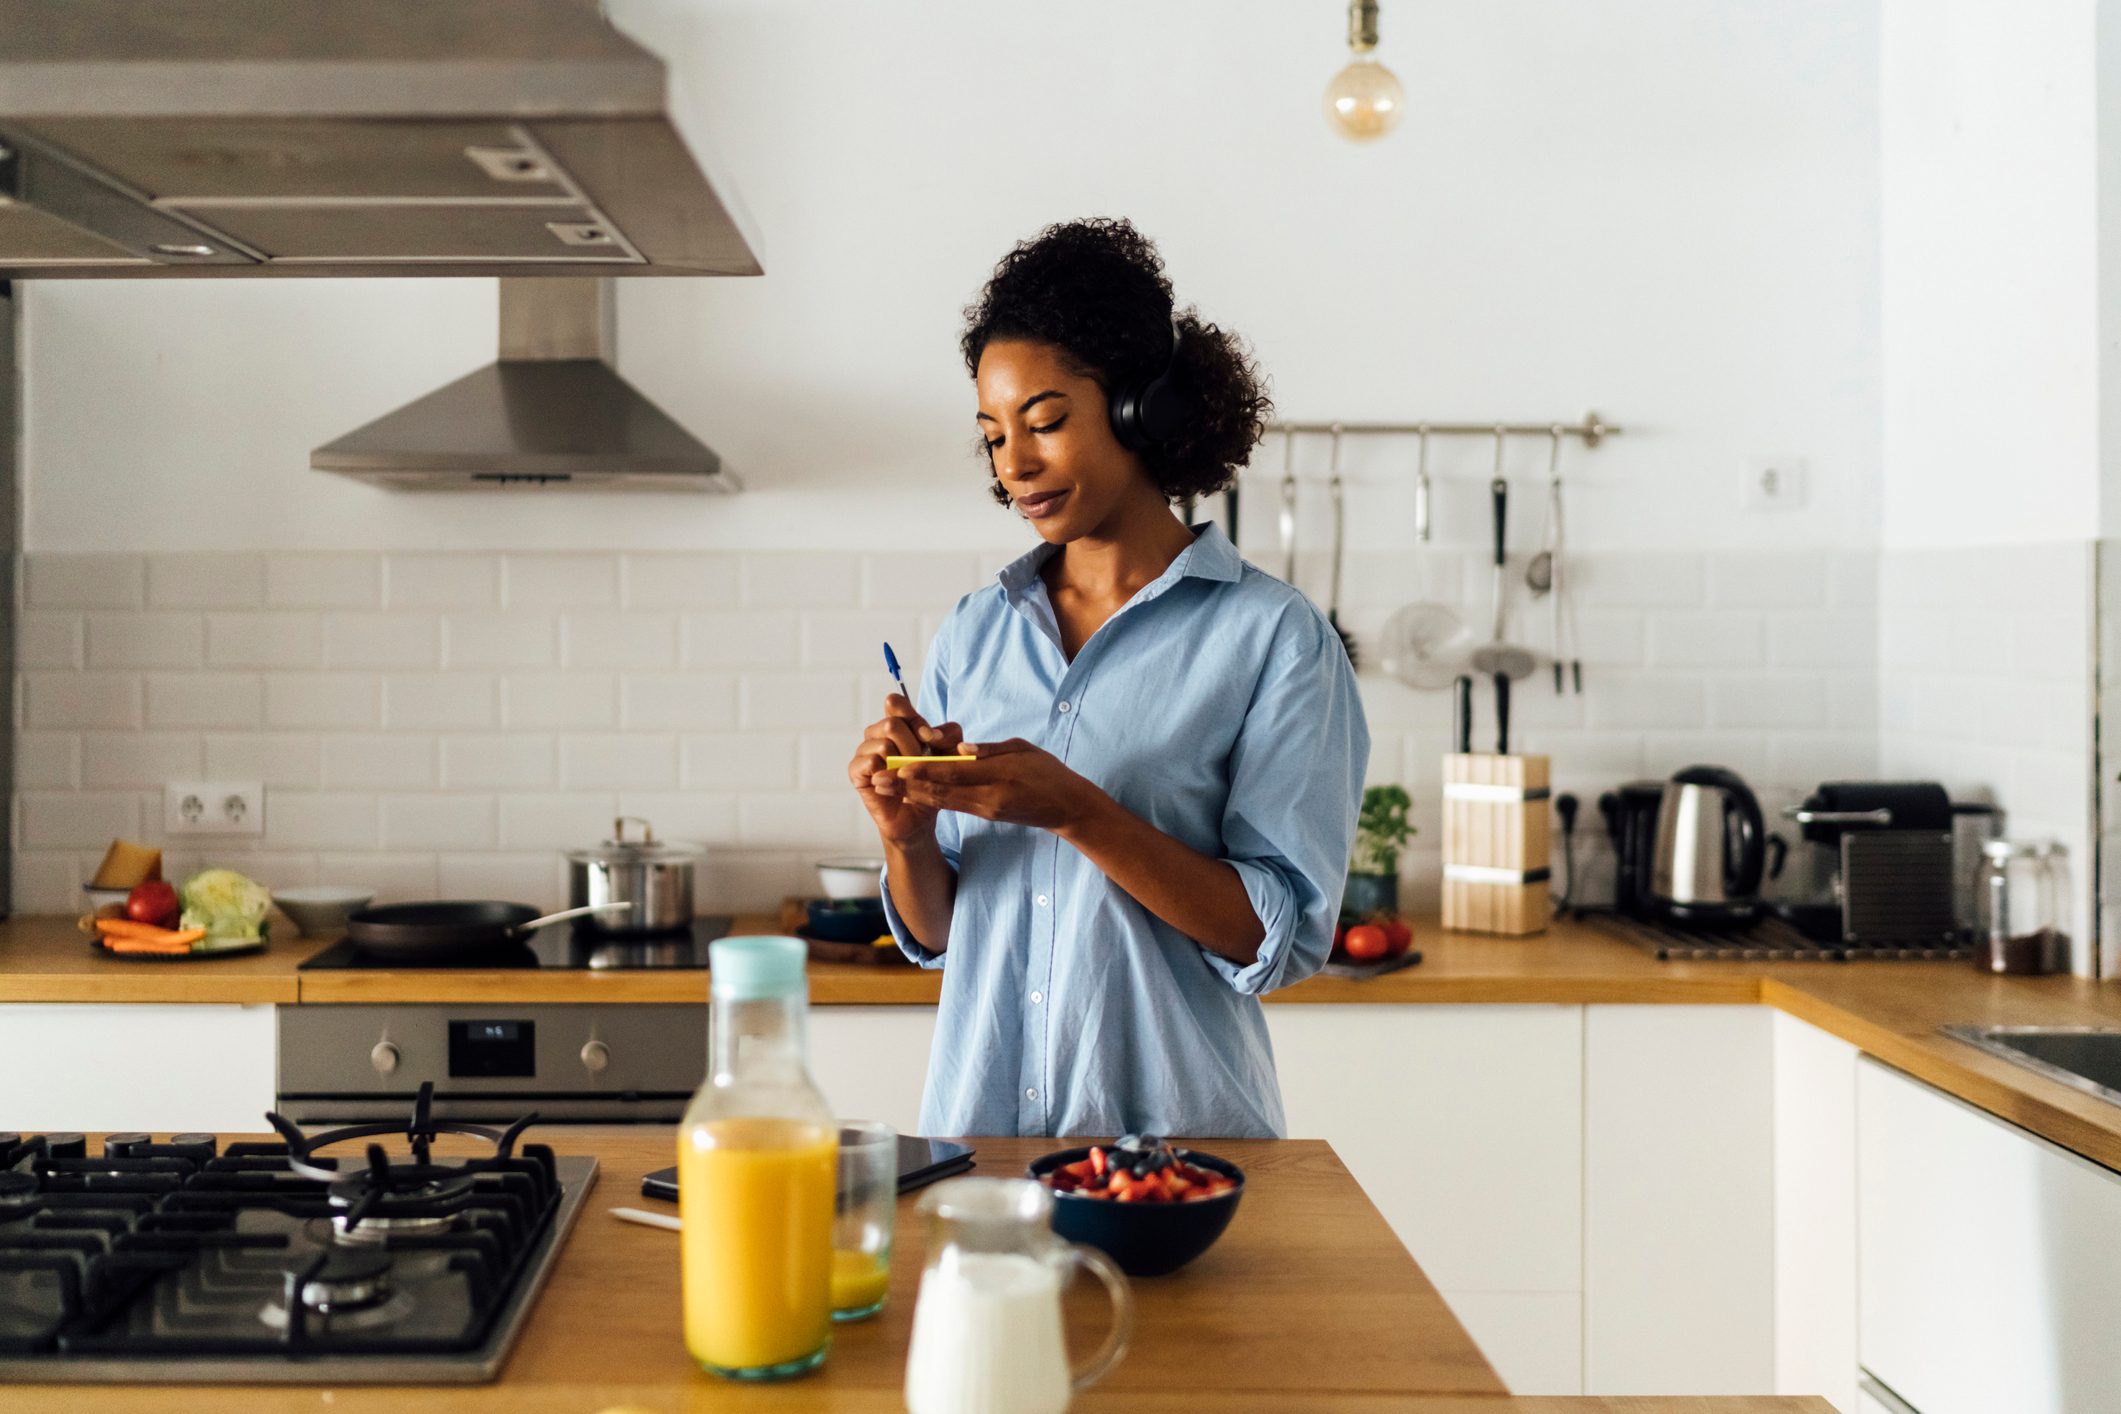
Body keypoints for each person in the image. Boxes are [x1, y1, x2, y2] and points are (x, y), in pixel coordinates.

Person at [847, 217, 1369, 1139]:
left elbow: (1272, 938)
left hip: (1178, 1151)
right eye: (993, 435)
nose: (1015, 465)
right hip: (982, 1150)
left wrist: (1077, 809)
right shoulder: (975, 632)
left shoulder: (1272, 637)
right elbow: (939, 938)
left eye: (1045, 422)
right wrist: (909, 837)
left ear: (1141, 411)